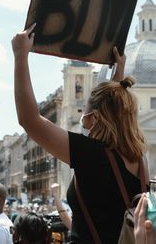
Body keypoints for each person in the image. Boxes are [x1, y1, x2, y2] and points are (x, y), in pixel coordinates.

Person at [11, 23, 149, 243]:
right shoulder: (140, 160)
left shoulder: (91, 155)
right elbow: (113, 105)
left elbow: (29, 120)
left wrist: (20, 57)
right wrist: (117, 74)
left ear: (94, 118)